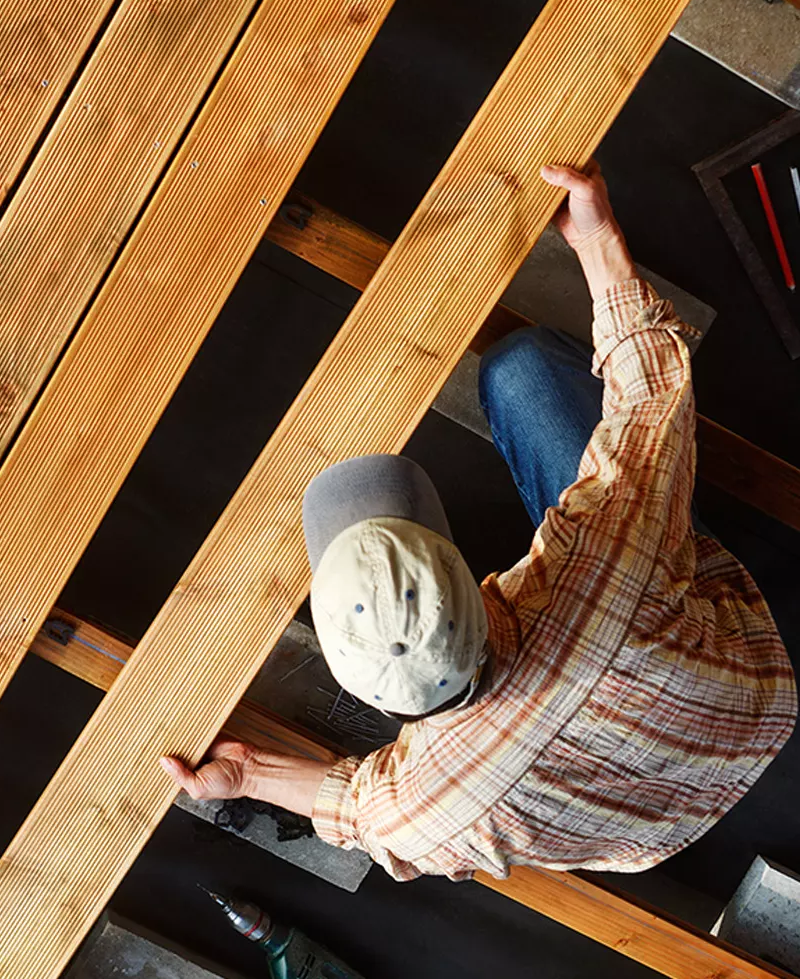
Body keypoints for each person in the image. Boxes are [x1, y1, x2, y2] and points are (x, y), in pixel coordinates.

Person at [160, 162, 797, 880]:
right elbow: (652, 399)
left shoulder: (425, 809)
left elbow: (363, 810)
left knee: (629, 508)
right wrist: (596, 237)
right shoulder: (601, 561)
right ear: (462, 569)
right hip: (752, 697)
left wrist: (247, 779)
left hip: (658, 821)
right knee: (520, 373)